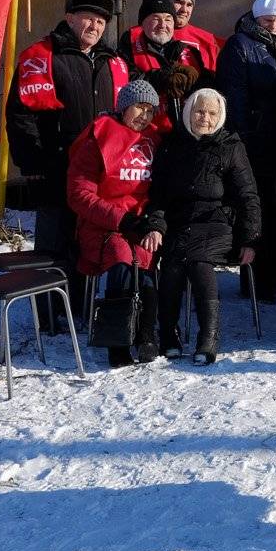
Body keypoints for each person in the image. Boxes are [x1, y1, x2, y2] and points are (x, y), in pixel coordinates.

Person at [7, 0, 130, 327]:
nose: (95, 25)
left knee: (87, 243)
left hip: (99, 175)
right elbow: (20, 115)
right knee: (54, 243)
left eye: (102, 21)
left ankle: (78, 307)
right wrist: (32, 164)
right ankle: (48, 313)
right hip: (55, 169)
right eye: (88, 18)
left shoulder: (114, 62)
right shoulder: (41, 56)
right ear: (69, 18)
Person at [144, 88, 261, 365]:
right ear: (188, 113)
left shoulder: (231, 146)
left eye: (211, 113)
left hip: (218, 222)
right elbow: (158, 194)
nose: (204, 118)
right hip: (180, 221)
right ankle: (169, 333)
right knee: (172, 265)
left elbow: (248, 195)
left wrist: (250, 239)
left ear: (220, 116)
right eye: (199, 111)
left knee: (198, 262)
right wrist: (157, 226)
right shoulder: (172, 145)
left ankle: (209, 336)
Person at [216, 0, 276, 305]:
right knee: (256, 211)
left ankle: (270, 277)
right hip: (255, 142)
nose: (274, 26)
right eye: (269, 20)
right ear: (256, 18)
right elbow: (234, 96)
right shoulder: (240, 45)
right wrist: (243, 139)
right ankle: (254, 280)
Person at [65, 79, 163, 367]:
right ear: (123, 107)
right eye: (138, 108)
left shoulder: (156, 139)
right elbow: (79, 194)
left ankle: (146, 333)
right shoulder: (97, 137)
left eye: (149, 110)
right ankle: (116, 338)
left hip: (142, 222)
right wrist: (122, 220)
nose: (144, 116)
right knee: (121, 261)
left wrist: (153, 221)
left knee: (145, 260)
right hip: (104, 223)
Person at [117, 0, 205, 132]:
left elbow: (206, 92)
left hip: (185, 132)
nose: (163, 25)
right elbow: (127, 81)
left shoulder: (188, 51)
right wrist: (164, 77)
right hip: (145, 131)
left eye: (168, 19)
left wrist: (194, 81)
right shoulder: (129, 48)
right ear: (143, 23)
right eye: (156, 19)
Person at [162, 0, 224, 72]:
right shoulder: (144, 34)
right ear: (166, 3)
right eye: (178, 2)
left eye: (189, 5)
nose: (184, 10)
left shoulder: (208, 41)